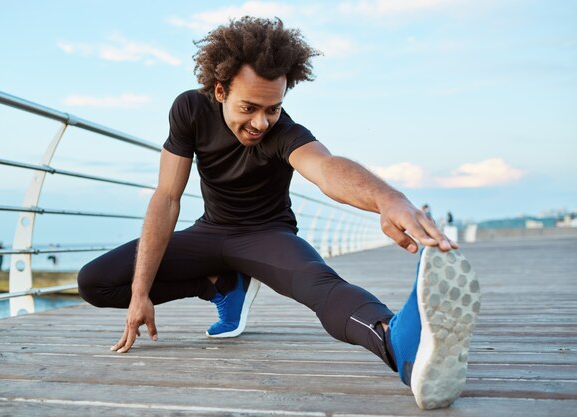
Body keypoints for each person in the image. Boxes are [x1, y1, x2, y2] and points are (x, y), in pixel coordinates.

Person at [77, 17, 480, 410]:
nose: (261, 123)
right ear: (219, 91)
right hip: (210, 231)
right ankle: (220, 285)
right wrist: (140, 293)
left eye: (273, 108)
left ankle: (399, 341)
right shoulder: (189, 110)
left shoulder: (282, 131)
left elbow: (326, 168)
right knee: (95, 283)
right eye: (249, 107)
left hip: (265, 235)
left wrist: (388, 199)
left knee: (317, 284)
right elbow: (166, 198)